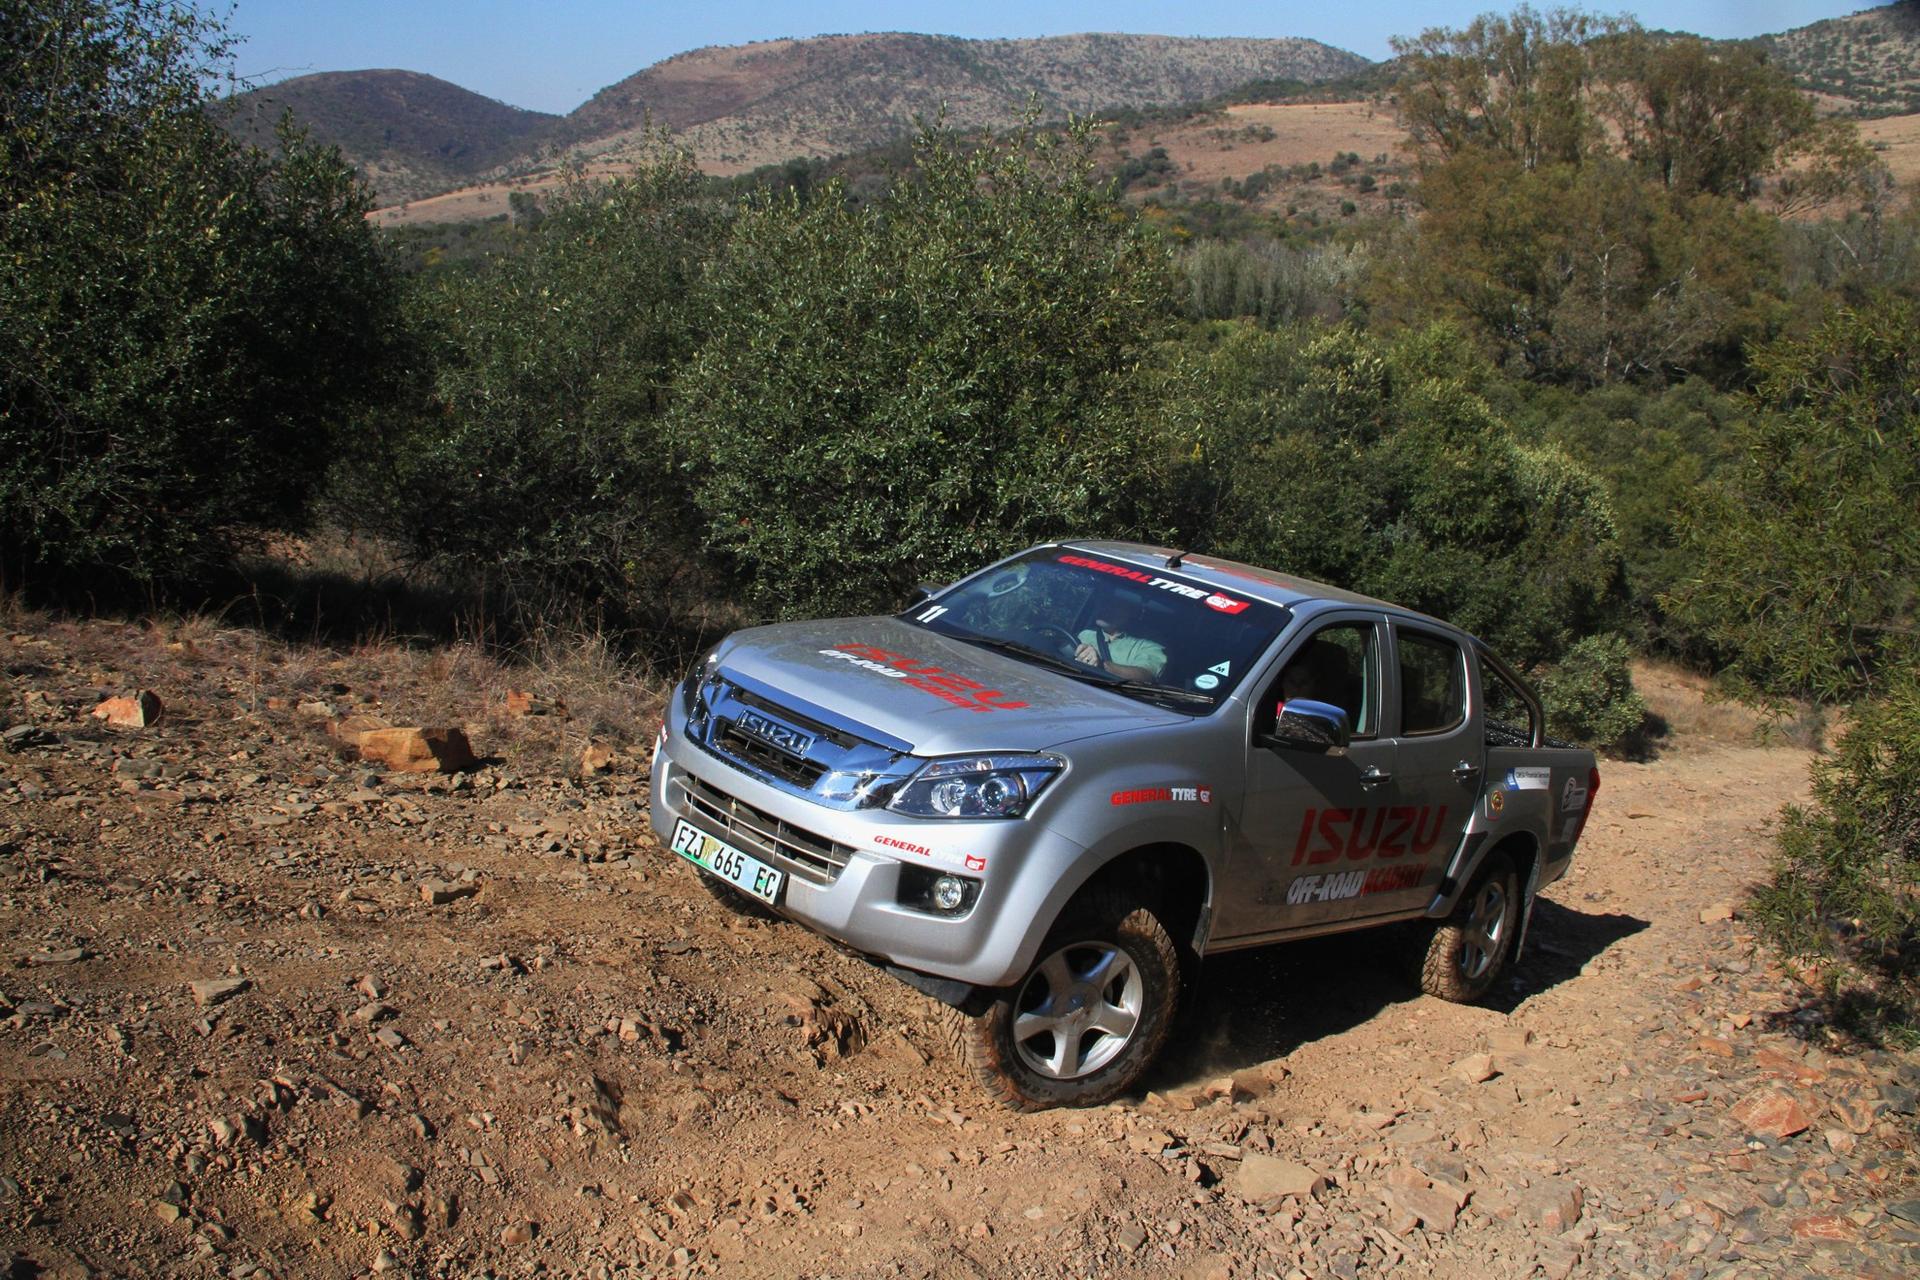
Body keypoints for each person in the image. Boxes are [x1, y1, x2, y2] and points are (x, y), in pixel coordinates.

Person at [1075, 595, 1166, 681]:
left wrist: (1101, 666)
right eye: (1104, 602)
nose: (1105, 608)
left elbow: (1146, 676)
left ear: (1132, 612)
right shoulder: (1085, 634)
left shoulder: (1149, 647)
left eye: (1114, 605)